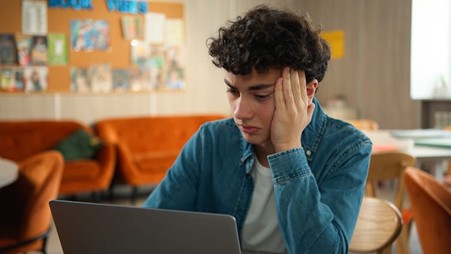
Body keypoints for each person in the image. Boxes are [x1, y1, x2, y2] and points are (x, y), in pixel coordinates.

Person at [143, 4, 372, 254]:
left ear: (306, 92)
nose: (239, 112)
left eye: (261, 95)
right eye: (233, 91)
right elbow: (149, 227)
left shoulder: (348, 148)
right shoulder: (210, 141)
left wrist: (288, 149)